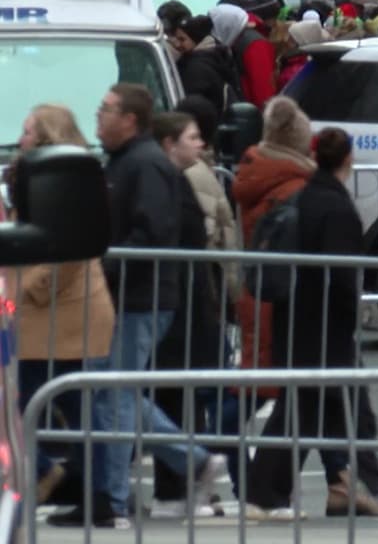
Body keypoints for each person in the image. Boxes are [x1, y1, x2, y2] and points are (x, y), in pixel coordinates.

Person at [49, 84, 228, 528]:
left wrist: (103, 268)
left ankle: (114, 499)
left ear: (129, 119)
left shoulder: (144, 164)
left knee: (115, 395)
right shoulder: (126, 161)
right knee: (114, 392)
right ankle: (181, 464)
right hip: (125, 295)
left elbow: (151, 232)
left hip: (137, 298)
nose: (98, 116)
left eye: (106, 109)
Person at [244, 128, 378, 520]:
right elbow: (344, 275)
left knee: (305, 410)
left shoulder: (304, 197)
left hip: (297, 321)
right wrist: (352, 316)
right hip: (327, 327)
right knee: (347, 410)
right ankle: (375, 488)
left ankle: (268, 494)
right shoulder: (337, 208)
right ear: (348, 158)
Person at [10, 105, 115, 504]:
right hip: (44, 316)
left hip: (64, 313)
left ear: (46, 136)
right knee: (70, 406)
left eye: (27, 131)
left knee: (67, 406)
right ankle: (90, 491)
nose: (20, 139)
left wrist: (31, 286)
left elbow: (68, 250)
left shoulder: (68, 181)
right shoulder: (37, 176)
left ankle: (89, 490)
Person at [148, 111, 239, 517]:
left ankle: (179, 489)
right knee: (163, 397)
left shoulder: (178, 178)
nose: (201, 144)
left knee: (170, 396)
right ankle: (184, 478)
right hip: (178, 305)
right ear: (170, 143)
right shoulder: (171, 181)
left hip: (184, 304)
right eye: (192, 137)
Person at [231, 96, 316, 408]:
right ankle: (213, 437)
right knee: (266, 382)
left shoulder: (257, 171)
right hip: (279, 292)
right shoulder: (293, 186)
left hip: (259, 286)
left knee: (262, 378)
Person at [210, 3, 277, 108]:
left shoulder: (254, 45)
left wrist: (263, 112)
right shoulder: (237, 41)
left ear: (225, 25)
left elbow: (263, 88)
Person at [172, 15, 241, 115]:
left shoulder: (196, 68)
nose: (177, 44)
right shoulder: (213, 56)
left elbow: (191, 104)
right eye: (176, 39)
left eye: (182, 39)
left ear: (197, 39)